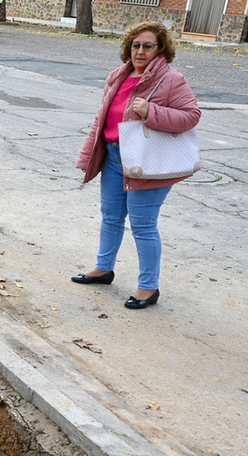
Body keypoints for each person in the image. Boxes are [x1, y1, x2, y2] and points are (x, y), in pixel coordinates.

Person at [73, 22, 200, 309]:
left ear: (161, 49)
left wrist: (151, 111)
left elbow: (191, 116)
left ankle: (148, 287)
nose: (139, 51)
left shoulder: (171, 79)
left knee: (143, 226)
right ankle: (103, 268)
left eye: (147, 46)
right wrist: (88, 155)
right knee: (110, 216)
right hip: (114, 156)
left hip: (148, 162)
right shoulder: (120, 76)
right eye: (135, 45)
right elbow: (101, 119)